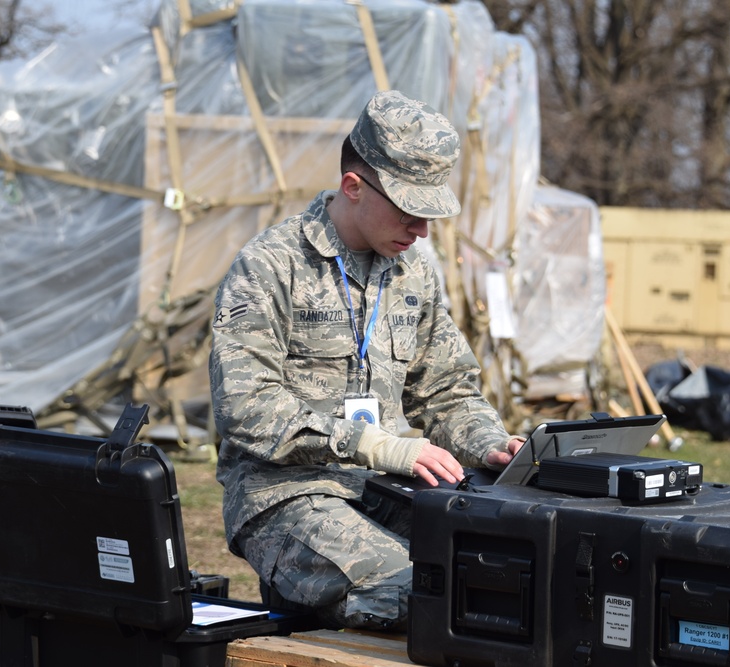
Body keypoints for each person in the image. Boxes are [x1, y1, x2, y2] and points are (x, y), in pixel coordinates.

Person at [208, 90, 525, 632]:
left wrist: (490, 444)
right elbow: (246, 405)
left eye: (430, 214)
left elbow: (446, 388)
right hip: (288, 492)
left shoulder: (413, 272)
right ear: (353, 187)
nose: (422, 230)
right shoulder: (270, 265)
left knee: (514, 577)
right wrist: (372, 444)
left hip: (391, 489)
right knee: (428, 596)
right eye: (409, 211)